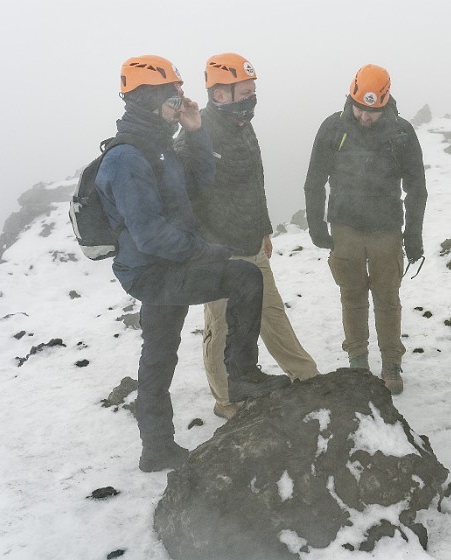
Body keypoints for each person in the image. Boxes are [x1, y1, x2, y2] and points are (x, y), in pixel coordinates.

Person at [95, 55, 289, 472]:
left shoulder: (160, 149)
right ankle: (234, 381)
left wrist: (195, 131)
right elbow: (148, 235)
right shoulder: (127, 159)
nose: (179, 103)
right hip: (153, 273)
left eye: (180, 95)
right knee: (240, 281)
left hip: (167, 268)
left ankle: (162, 443)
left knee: (162, 352)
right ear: (146, 101)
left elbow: (201, 179)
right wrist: (207, 252)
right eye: (172, 98)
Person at [177, 53, 320, 420]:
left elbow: (254, 182)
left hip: (252, 242)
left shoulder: (243, 124)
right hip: (219, 251)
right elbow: (184, 191)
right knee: (222, 325)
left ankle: (305, 376)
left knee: (271, 314)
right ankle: (226, 398)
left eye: (253, 91)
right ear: (220, 93)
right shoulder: (198, 132)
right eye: (245, 91)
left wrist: (264, 230)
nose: (252, 98)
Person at [303, 64, 427, 395]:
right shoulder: (333, 128)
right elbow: (314, 180)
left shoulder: (401, 133)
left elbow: (417, 187)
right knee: (352, 294)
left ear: (385, 102)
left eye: (372, 111)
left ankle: (391, 363)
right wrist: (317, 225)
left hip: (386, 228)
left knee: (387, 297)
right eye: (360, 108)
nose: (364, 117)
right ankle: (357, 360)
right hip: (344, 227)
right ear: (351, 98)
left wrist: (413, 235)